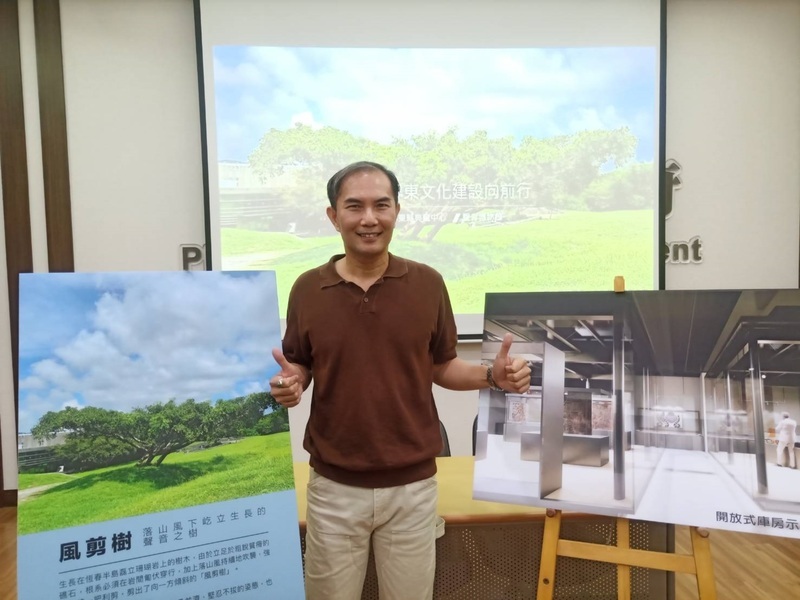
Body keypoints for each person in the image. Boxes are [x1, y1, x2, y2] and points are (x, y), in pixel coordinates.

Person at [268, 161, 531, 600]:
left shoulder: (427, 283)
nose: (369, 218)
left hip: (413, 488)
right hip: (334, 488)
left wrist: (492, 376)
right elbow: (301, 365)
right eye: (355, 206)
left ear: (396, 211)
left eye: (381, 205)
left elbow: (442, 366)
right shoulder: (307, 289)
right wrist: (291, 382)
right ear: (333, 216)